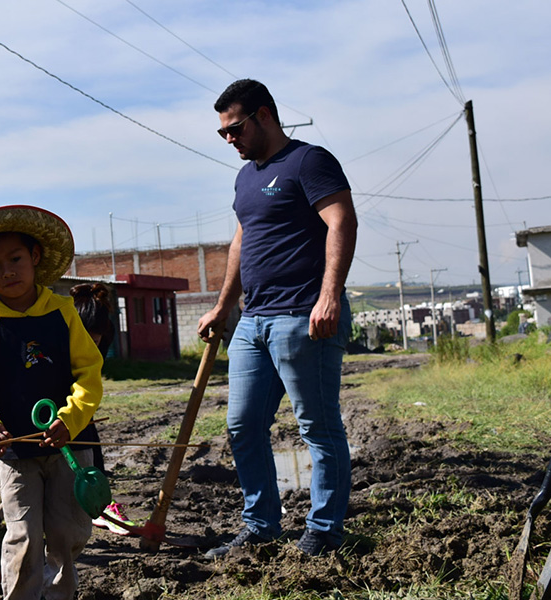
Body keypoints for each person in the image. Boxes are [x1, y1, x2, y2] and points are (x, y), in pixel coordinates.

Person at [197, 79, 357, 558]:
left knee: (318, 427)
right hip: (253, 320)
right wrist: (224, 307)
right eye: (222, 133)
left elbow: (341, 221)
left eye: (235, 128)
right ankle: (261, 526)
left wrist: (329, 296)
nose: (230, 139)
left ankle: (324, 531)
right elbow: (243, 242)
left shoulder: (310, 161)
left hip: (304, 316)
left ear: (264, 115)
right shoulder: (246, 177)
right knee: (242, 426)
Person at [0, 205, 103, 600]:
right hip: (14, 453)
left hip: (71, 448)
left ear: (35, 258)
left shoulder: (63, 313)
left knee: (66, 534)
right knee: (23, 535)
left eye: (15, 260)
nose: (7, 271)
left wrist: (71, 418)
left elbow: (89, 374)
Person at [69, 283, 133, 536]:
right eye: (86, 339)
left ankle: (101, 505)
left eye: (94, 341)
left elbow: (92, 374)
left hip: (82, 392)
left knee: (89, 437)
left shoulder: (106, 335)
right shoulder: (60, 329)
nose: (91, 347)